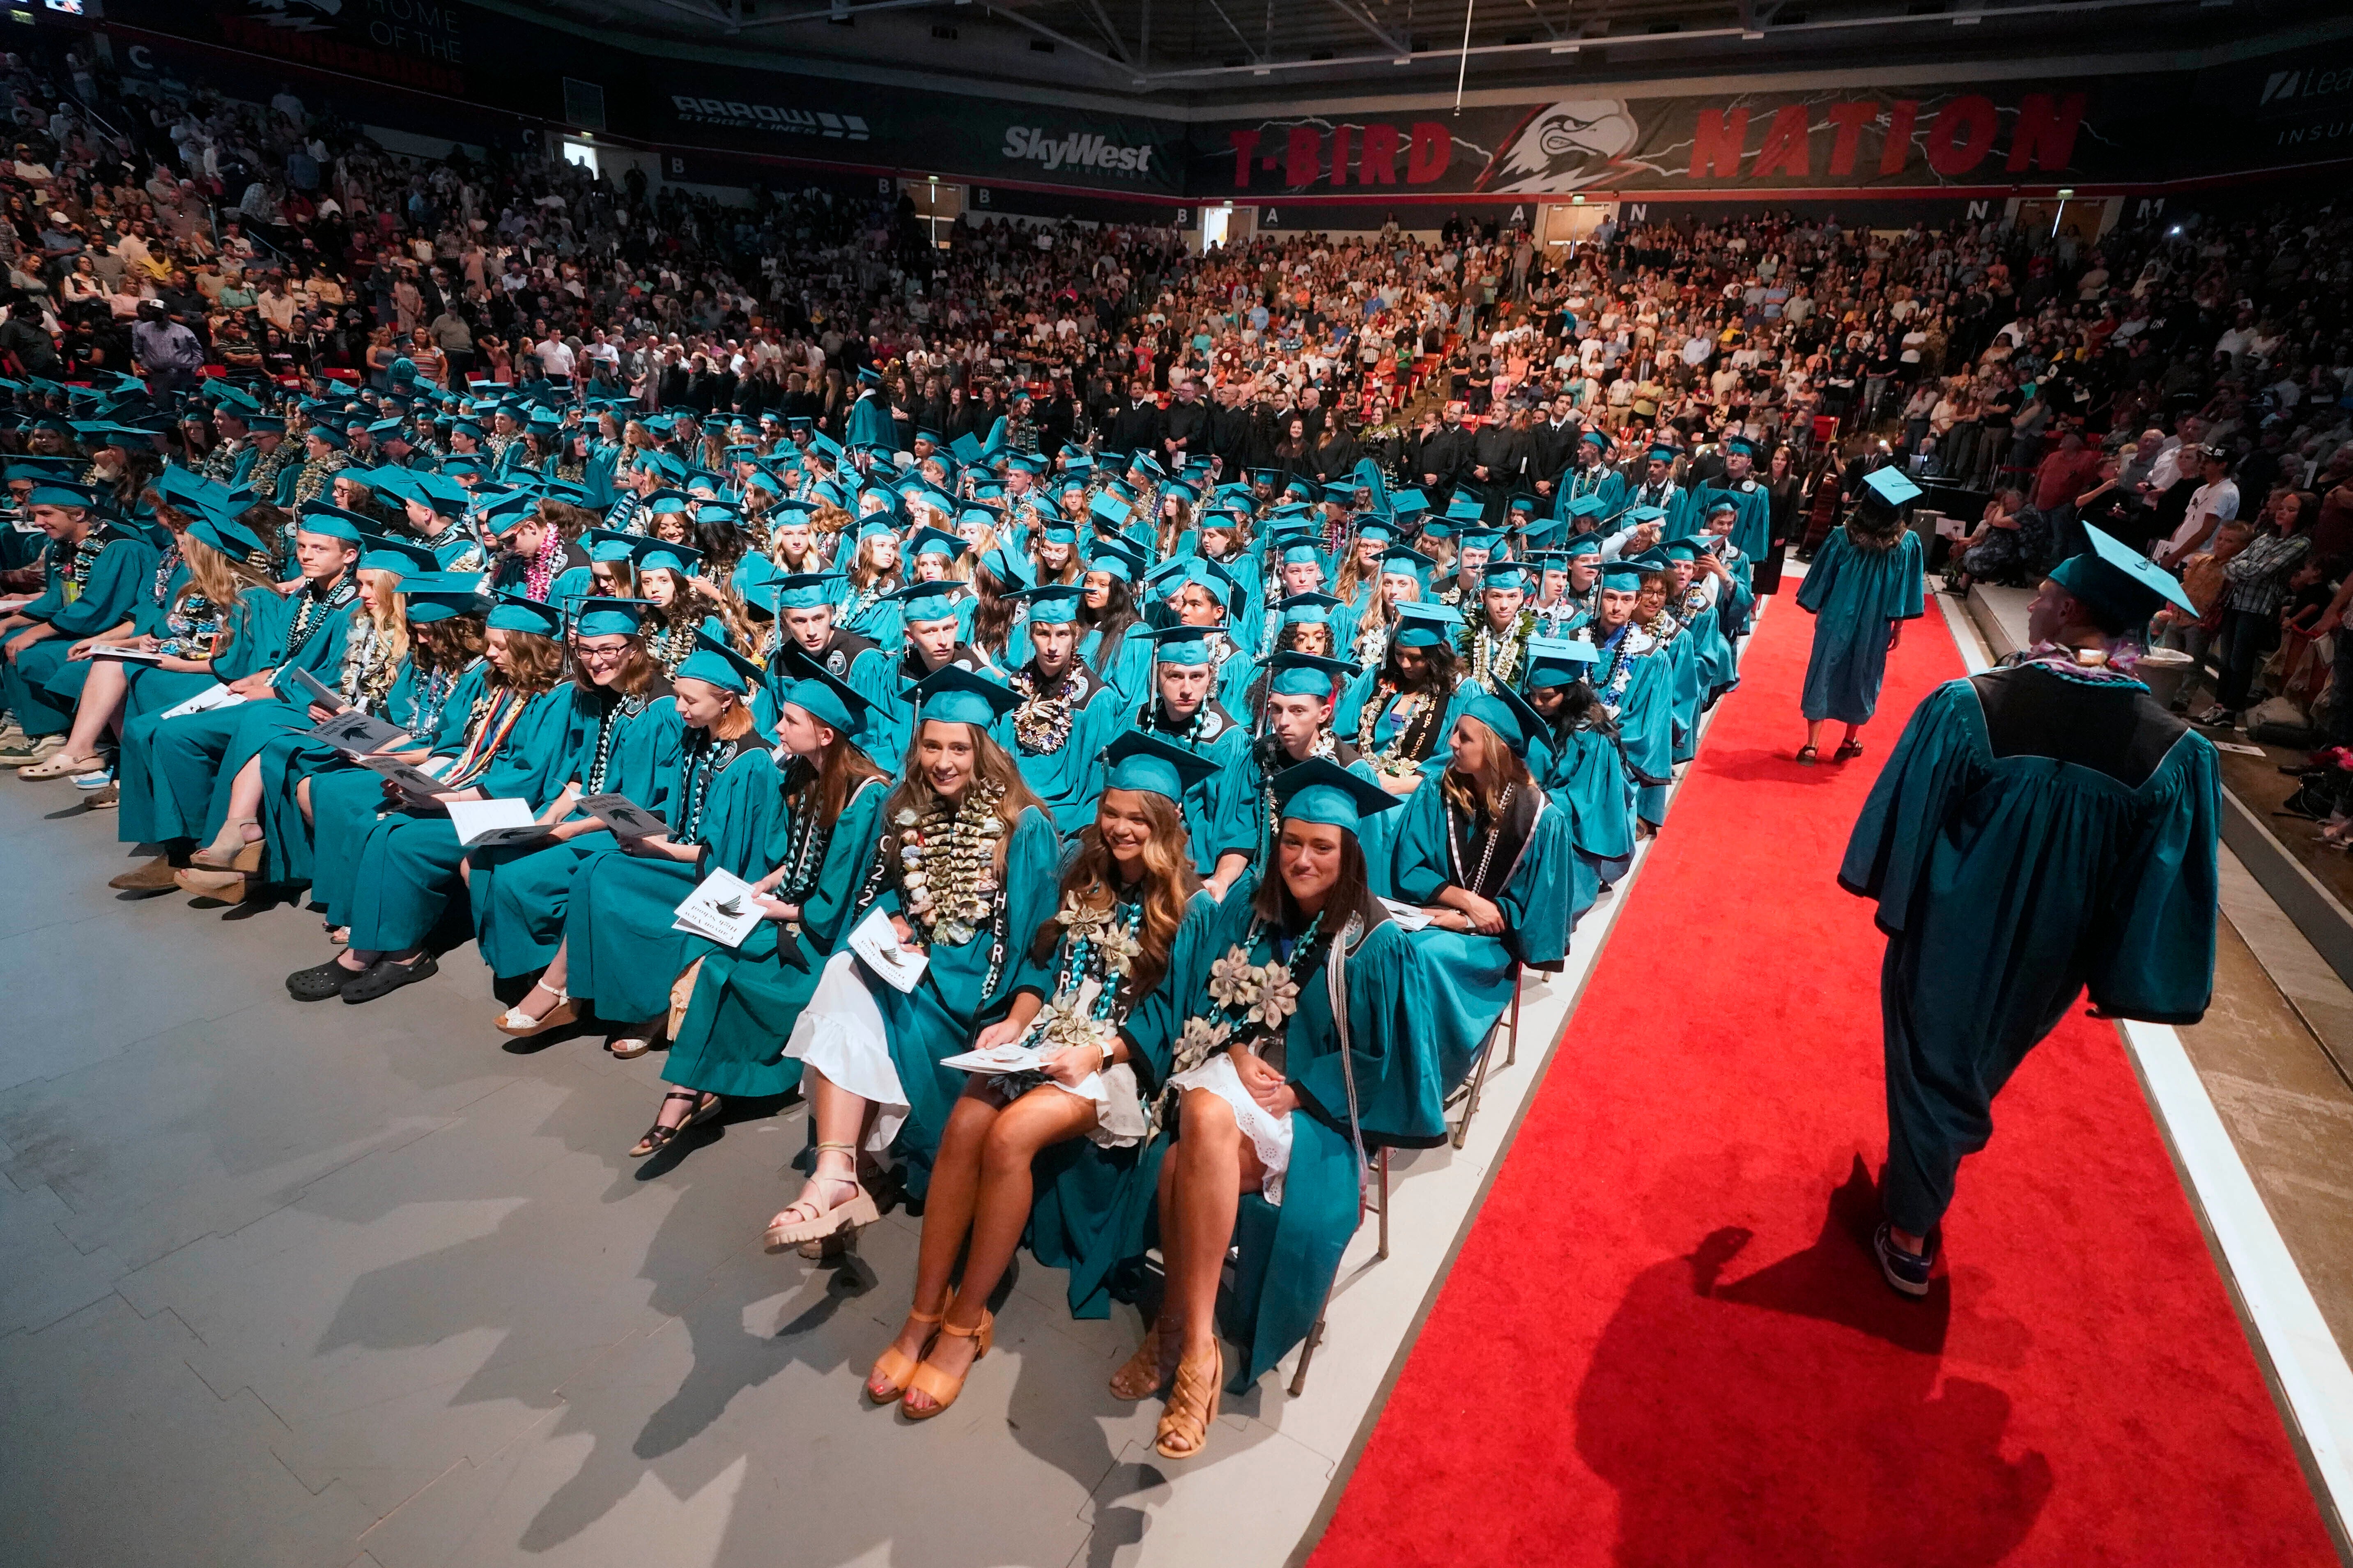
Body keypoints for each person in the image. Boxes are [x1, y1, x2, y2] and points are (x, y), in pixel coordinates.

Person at [1840, 524, 2218, 1297]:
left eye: (2045, 593)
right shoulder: (2171, 748)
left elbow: (1912, 819)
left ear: (2070, 609)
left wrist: (1899, 893)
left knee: (1930, 1056)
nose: (2035, 602)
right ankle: (1929, 1163)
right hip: (2057, 944)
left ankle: (1910, 1230)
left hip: (1952, 921)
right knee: (1981, 1057)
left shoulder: (1977, 703)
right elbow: (2152, 875)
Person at [865, 733, 1218, 1417]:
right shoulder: (1082, 869)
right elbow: (1042, 962)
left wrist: (1098, 1052)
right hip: (1049, 1033)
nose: (1119, 827)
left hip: (1116, 1062)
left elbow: (1171, 1018)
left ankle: (964, 1323)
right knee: (969, 1117)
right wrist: (1016, 1020)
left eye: (1137, 817)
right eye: (1111, 811)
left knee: (1011, 1134)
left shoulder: (1191, 906)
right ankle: (921, 1312)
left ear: (1165, 822)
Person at [1115, 758, 1441, 1458]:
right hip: (1235, 1080)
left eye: (1322, 846)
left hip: (1318, 1113)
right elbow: (1207, 995)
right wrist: (1236, 1050)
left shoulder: (1374, 942)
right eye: (1292, 841)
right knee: (1206, 1112)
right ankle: (1199, 1347)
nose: (1302, 858)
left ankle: (1176, 1331)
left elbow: (1387, 1064)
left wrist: (1301, 1089)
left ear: (1349, 853)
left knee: (1179, 1161)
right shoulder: (1251, 908)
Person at [761, 666, 1061, 1249]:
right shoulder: (910, 808)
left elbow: (1040, 946)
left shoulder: (1023, 828)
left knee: (854, 999)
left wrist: (1018, 1020)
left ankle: (843, 1174)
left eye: (958, 748)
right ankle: (838, 1172)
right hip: (917, 970)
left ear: (985, 752)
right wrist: (898, 916)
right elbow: (896, 889)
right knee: (845, 972)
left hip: (976, 997)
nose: (943, 762)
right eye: (931, 746)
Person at [654, 650, 892, 1141]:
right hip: (793, 904)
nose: (777, 728)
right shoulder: (805, 773)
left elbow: (839, 888)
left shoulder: (864, 794)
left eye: (790, 721)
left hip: (829, 930)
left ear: (825, 735)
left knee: (737, 971)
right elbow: (800, 854)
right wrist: (765, 884)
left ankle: (700, 1087)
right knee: (710, 953)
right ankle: (691, 1087)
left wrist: (778, 908)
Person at [1390, 690, 1574, 1090]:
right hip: (1428, 914)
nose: (1452, 742)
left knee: (1422, 956)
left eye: (1465, 736)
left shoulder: (1540, 819)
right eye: (1455, 730)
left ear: (1495, 749)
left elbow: (1532, 912)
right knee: (1381, 948)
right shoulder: (1438, 790)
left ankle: (1420, 1076)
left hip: (1488, 944)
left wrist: (1464, 920)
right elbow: (1409, 867)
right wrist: (1465, 901)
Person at [1797, 468, 1926, 764]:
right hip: (1875, 621)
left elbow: (1823, 578)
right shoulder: (1907, 543)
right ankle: (1848, 741)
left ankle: (1811, 746)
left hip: (1836, 615)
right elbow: (1903, 591)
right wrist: (1898, 627)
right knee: (1863, 673)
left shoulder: (1842, 535)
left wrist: (1820, 611)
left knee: (1824, 669)